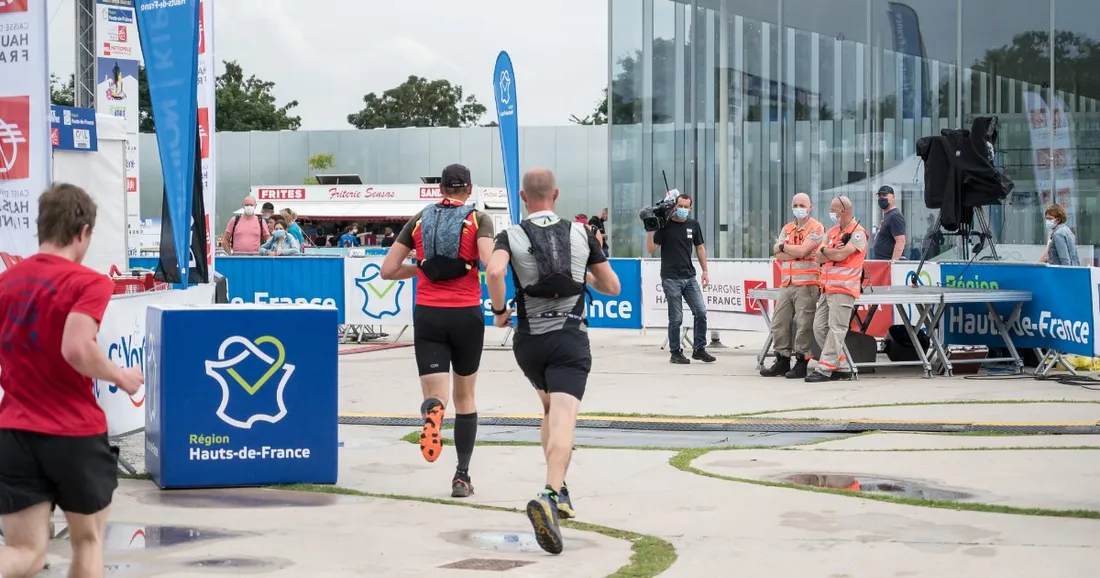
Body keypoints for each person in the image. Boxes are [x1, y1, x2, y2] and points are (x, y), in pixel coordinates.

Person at [0, 184, 145, 578]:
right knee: (87, 541)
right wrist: (122, 376)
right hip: (73, 433)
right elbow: (77, 347)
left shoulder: (7, 282)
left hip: (14, 432)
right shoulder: (88, 282)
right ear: (83, 232)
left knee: (25, 552)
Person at [486, 168, 620, 555]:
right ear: (556, 194)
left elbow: (494, 270)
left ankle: (560, 490)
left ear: (524, 197)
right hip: (568, 336)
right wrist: (583, 278)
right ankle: (549, 493)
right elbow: (612, 287)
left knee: (548, 408)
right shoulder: (580, 232)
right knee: (564, 416)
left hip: (529, 341)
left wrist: (498, 311)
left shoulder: (510, 233)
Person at [380, 163, 494, 498]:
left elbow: (388, 270)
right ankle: (462, 477)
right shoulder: (479, 219)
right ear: (469, 190)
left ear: (439, 189)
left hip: (429, 314)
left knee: (437, 395)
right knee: (466, 397)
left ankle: (433, 411)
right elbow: (488, 262)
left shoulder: (418, 219)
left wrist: (424, 268)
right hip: (466, 314)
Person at [760, 193, 825, 379]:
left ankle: (802, 361)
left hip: (807, 284)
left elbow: (805, 250)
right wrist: (792, 251)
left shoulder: (816, 227)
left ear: (810, 206)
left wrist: (785, 248)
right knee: (779, 322)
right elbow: (776, 253)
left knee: (804, 324)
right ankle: (782, 359)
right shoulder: (787, 228)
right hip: (787, 282)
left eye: (802, 205)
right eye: (795, 205)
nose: (798, 208)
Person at [646, 192, 715, 364]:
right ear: (674, 206)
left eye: (686, 206)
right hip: (671, 278)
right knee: (676, 318)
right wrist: (650, 228)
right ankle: (675, 352)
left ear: (690, 208)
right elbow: (651, 249)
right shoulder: (665, 225)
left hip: (690, 277)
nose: (683, 209)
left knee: (701, 312)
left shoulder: (693, 225)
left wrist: (705, 271)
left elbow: (700, 248)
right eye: (680, 206)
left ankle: (699, 349)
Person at [805, 196, 868, 383]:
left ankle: (825, 368)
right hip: (827, 287)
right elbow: (817, 257)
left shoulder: (858, 234)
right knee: (819, 327)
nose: (831, 213)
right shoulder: (832, 232)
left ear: (844, 211)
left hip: (844, 289)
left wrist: (828, 252)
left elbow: (841, 254)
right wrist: (829, 251)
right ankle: (840, 365)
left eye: (834, 210)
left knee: (836, 328)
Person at [872, 185, 906, 261]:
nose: (881, 198)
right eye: (879, 196)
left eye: (884, 195)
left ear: (893, 197)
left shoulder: (895, 215)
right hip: (882, 263)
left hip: (888, 263)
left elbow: (901, 241)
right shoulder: (888, 215)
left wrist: (893, 263)